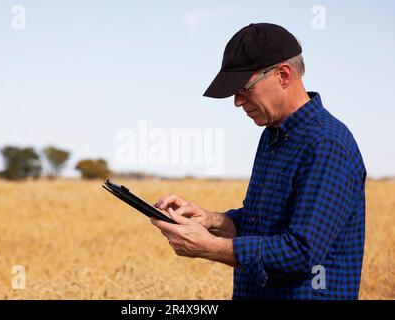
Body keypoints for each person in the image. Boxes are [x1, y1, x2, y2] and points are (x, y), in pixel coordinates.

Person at [150, 23, 366, 300]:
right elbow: (263, 224)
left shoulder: (327, 144)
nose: (237, 102)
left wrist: (211, 248)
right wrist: (212, 221)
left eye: (244, 89)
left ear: (284, 75)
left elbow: (301, 252)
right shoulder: (273, 136)